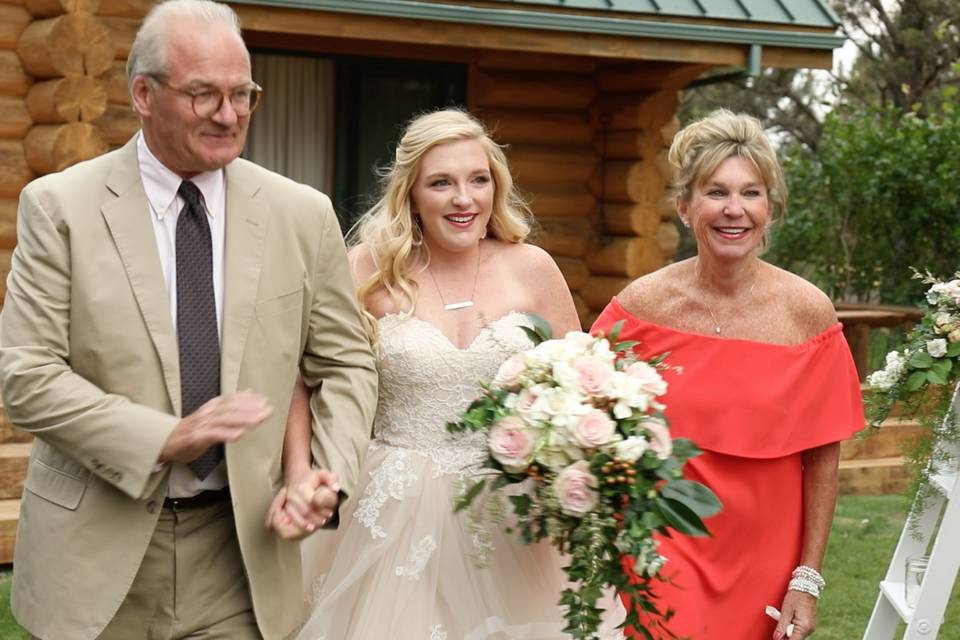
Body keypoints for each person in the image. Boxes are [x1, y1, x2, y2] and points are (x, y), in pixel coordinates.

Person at [0, 1, 377, 638]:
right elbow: (27, 377)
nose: (228, 116)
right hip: (95, 553)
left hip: (242, 555)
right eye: (203, 94)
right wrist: (164, 438)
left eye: (242, 95)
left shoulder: (302, 215)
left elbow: (344, 362)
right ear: (143, 94)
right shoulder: (59, 206)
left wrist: (322, 473)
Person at [268, 108, 621, 639]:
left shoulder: (533, 267)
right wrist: (298, 472)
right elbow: (304, 378)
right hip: (390, 515)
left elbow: (580, 385)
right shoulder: (364, 269)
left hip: (513, 519)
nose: (464, 199)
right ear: (411, 194)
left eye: (478, 180)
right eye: (442, 183)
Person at [589, 109, 864, 639]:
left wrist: (805, 580)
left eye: (751, 193)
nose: (734, 210)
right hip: (661, 544)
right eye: (716, 193)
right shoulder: (640, 306)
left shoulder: (807, 312)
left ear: (770, 207)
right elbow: (586, 412)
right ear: (684, 207)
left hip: (766, 552)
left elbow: (823, 457)